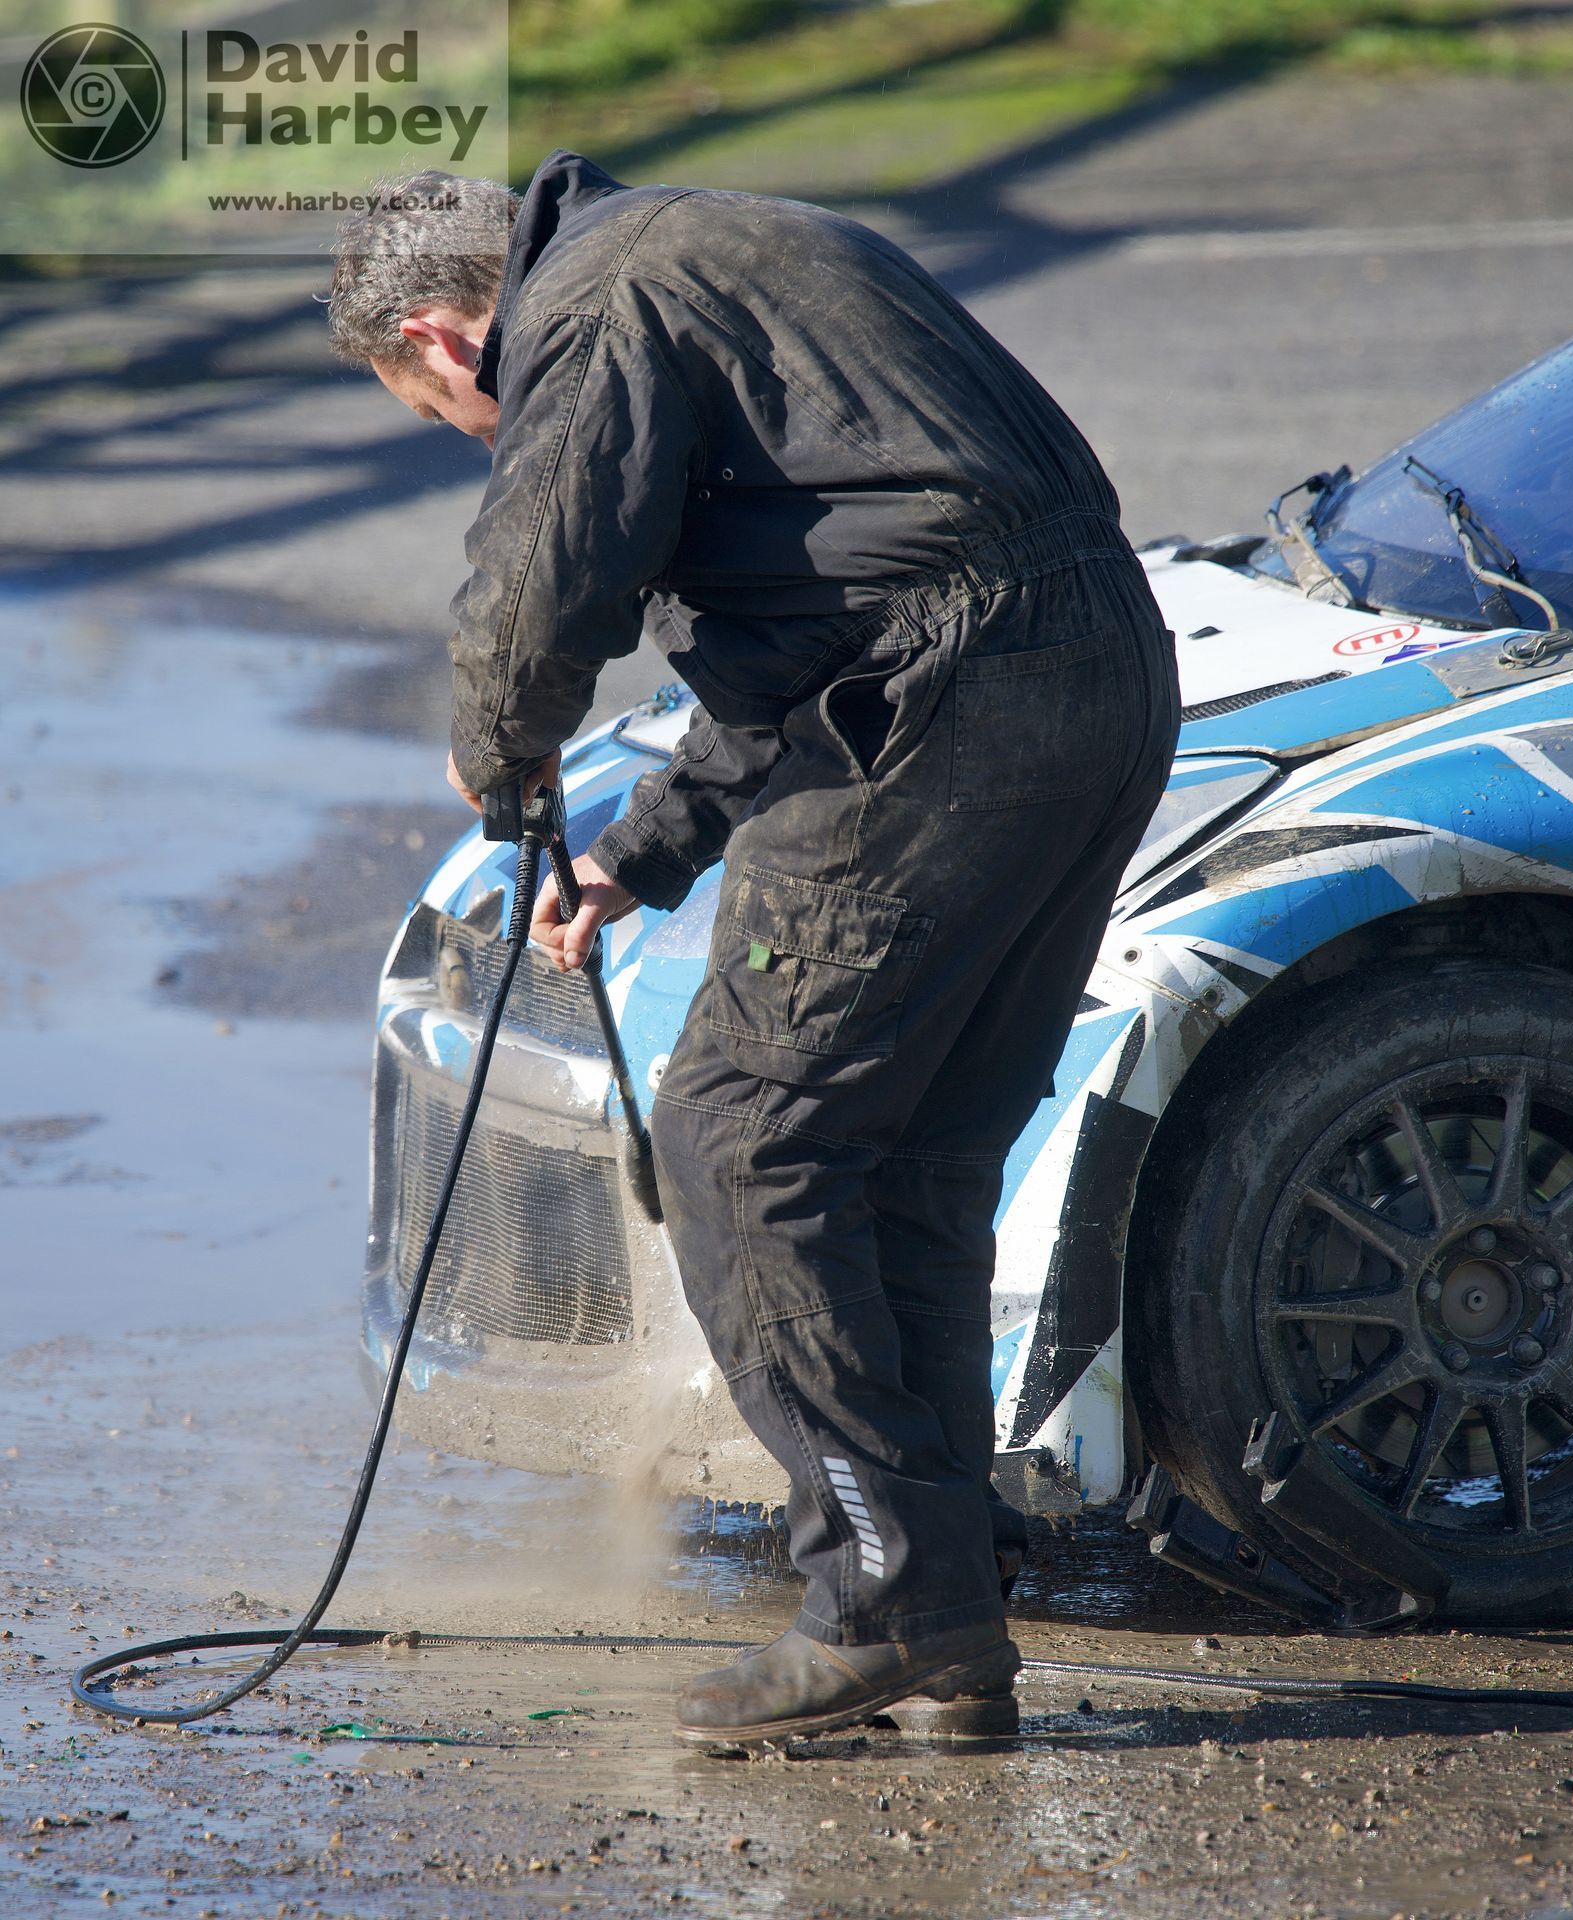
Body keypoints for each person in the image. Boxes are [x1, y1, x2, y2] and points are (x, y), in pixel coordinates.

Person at [328, 151, 1178, 1744]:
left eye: (450, 424)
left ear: (448, 339)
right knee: (906, 1158)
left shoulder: (584, 307)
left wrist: (499, 751)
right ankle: (948, 1624)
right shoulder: (715, 247)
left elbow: (534, 587)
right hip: (1092, 670)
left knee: (741, 1142)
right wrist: (640, 857)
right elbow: (822, 620)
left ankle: (884, 1595)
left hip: (952, 701)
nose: (479, 438)